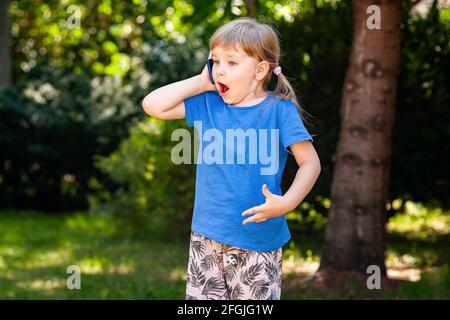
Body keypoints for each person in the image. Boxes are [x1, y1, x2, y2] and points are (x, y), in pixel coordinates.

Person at [142, 17, 321, 300]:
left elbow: (310, 163)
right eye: (215, 61)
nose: (219, 71)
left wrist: (288, 202)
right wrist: (201, 82)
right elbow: (153, 106)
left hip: (257, 240)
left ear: (260, 70)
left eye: (232, 63)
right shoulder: (209, 103)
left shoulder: (279, 111)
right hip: (206, 237)